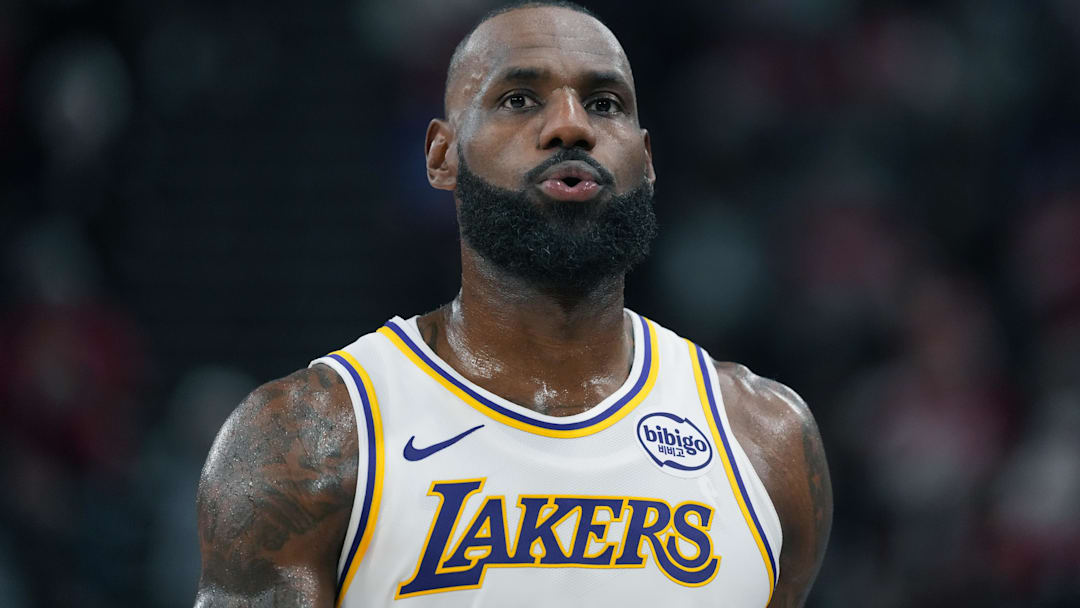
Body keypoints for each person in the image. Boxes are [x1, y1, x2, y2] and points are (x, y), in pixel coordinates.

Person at [194, 2, 832, 606]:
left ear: (646, 158)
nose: (571, 125)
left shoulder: (767, 441)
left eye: (605, 103)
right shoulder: (311, 440)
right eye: (519, 99)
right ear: (442, 155)